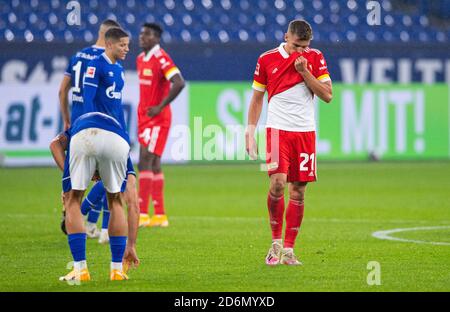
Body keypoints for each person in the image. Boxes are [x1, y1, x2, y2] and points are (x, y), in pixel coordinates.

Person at [245, 20, 332, 266]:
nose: (300, 52)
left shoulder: (315, 58)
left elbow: (327, 95)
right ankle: (275, 244)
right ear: (286, 37)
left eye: (305, 46)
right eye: (296, 46)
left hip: (305, 132)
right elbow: (257, 99)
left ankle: (289, 251)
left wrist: (305, 72)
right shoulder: (266, 59)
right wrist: (250, 131)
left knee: (299, 191)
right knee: (278, 184)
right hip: (277, 130)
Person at [55, 28, 139, 282]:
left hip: (89, 132)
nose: (126, 49)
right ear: (110, 44)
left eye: (128, 45)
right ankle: (115, 270)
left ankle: (80, 270)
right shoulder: (98, 66)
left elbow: (86, 102)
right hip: (114, 138)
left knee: (72, 199)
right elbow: (90, 98)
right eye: (123, 45)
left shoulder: (113, 68)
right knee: (116, 200)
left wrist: (69, 172)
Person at [58, 19, 121, 238]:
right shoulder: (102, 61)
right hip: (97, 123)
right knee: (107, 174)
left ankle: (89, 224)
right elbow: (98, 96)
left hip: (76, 122)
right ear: (109, 38)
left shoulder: (78, 56)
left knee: (78, 179)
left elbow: (62, 91)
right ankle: (94, 222)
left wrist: (66, 119)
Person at [136, 23, 185, 227]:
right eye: (141, 33)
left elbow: (179, 82)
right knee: (153, 163)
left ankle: (142, 214)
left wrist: (160, 106)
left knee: (144, 160)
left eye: (146, 34)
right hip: (144, 117)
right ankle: (160, 215)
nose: (141, 37)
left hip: (158, 118)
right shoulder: (140, 59)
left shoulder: (161, 57)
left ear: (156, 38)